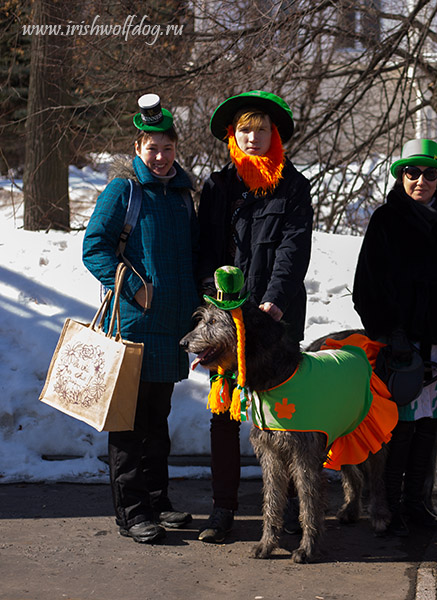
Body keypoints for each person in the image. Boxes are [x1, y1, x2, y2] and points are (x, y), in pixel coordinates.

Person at [195, 90, 314, 543]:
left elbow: (293, 246)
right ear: (232, 134)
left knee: (280, 414)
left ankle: (282, 511)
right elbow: (206, 251)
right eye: (244, 129)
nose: (252, 137)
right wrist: (217, 302)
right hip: (225, 320)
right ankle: (223, 508)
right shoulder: (219, 186)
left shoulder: (293, 185)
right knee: (224, 413)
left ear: (274, 134)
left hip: (276, 318)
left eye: (261, 129)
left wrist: (275, 300)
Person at [83, 94, 198, 543]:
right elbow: (95, 248)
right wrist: (133, 289)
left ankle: (157, 499)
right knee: (128, 422)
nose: (161, 156)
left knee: (158, 419)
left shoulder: (183, 194)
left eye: (167, 147)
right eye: (152, 148)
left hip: (172, 329)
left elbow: (191, 255)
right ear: (138, 148)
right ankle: (132, 512)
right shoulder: (124, 189)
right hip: (133, 325)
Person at [353, 138, 437, 535]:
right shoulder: (385, 221)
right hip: (400, 346)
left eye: (429, 173)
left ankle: (416, 503)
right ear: (401, 176)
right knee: (401, 426)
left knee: (430, 426)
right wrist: (389, 332)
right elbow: (366, 287)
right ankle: (387, 505)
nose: (420, 180)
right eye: (412, 172)